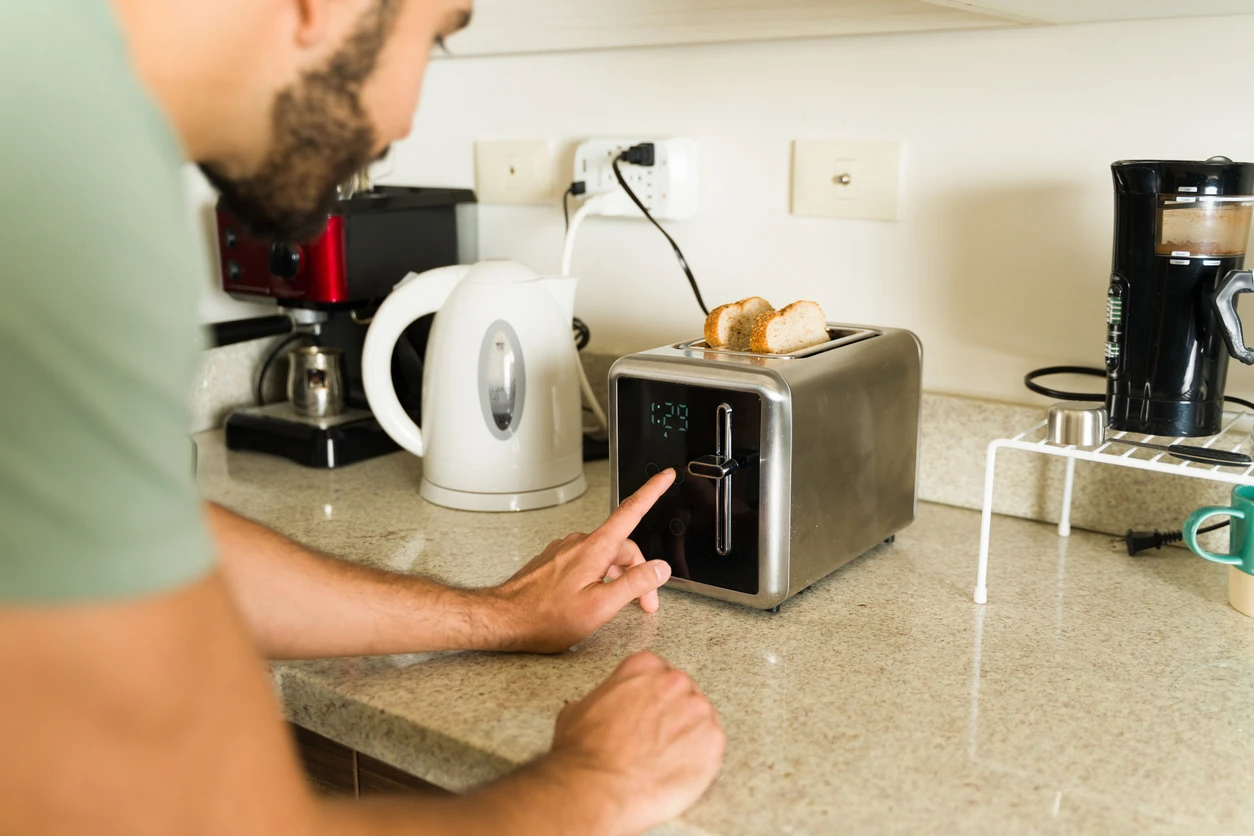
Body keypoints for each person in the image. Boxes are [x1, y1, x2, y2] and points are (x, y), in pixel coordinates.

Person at [0, 0, 726, 832]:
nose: (402, 123)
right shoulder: (58, 169)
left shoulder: (47, 81)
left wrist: (500, 616)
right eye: (438, 35)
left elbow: (136, 538)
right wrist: (596, 784)